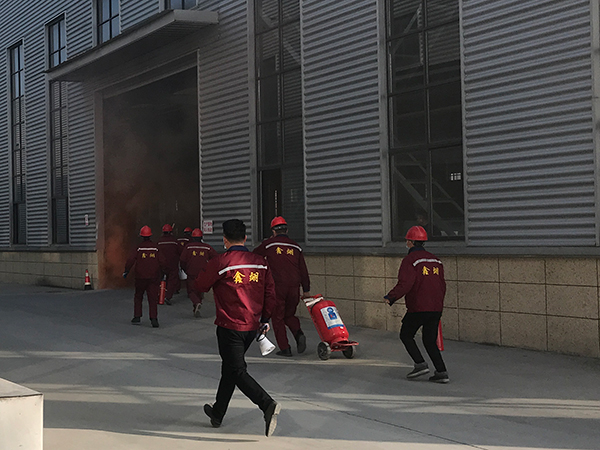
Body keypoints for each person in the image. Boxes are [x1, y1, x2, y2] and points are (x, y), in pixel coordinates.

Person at [195, 219, 280, 437]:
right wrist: (265, 319)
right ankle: (217, 413)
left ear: (225, 240)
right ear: (245, 238)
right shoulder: (260, 263)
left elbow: (200, 285)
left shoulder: (221, 262)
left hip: (230, 326)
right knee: (230, 368)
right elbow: (270, 293)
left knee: (237, 371)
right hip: (252, 327)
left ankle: (267, 404)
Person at [384, 225, 449, 383]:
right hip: (435, 307)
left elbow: (405, 283)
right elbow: (442, 285)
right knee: (429, 340)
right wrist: (438, 304)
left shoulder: (411, 260)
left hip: (418, 307)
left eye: (407, 240)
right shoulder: (436, 260)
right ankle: (441, 372)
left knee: (406, 335)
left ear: (410, 242)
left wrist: (391, 297)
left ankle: (420, 364)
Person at [253, 216, 310, 357]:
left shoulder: (269, 244)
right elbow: (303, 269)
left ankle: (285, 348)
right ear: (287, 230)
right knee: (289, 315)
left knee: (277, 317)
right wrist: (306, 289)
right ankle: (298, 333)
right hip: (294, 288)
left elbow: (253, 255)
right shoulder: (296, 246)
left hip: (278, 287)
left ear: (273, 231)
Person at [123, 226, 164, 328]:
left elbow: (131, 260)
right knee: (153, 298)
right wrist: (163, 273)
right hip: (153, 277)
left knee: (138, 296)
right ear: (150, 236)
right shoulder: (155, 248)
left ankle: (137, 316)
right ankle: (154, 319)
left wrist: (126, 270)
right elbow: (162, 261)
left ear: (141, 236)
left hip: (140, 277)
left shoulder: (139, 248)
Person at [179, 227, 218, 317]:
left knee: (191, 290)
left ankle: (196, 302)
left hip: (191, 272)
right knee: (200, 289)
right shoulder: (207, 247)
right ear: (201, 237)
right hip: (203, 272)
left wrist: (185, 269)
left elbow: (182, 260)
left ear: (192, 237)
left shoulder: (188, 247)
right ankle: (197, 305)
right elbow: (216, 258)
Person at [157, 224, 180, 304]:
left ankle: (158, 296)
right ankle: (168, 297)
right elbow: (180, 251)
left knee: (159, 279)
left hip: (161, 264)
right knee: (172, 280)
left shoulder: (159, 241)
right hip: (172, 264)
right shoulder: (175, 241)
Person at [176, 227, 193, 294]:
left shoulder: (178, 239)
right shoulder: (190, 240)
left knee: (176, 274)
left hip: (178, 257)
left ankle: (176, 288)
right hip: (187, 259)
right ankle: (190, 292)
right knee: (189, 275)